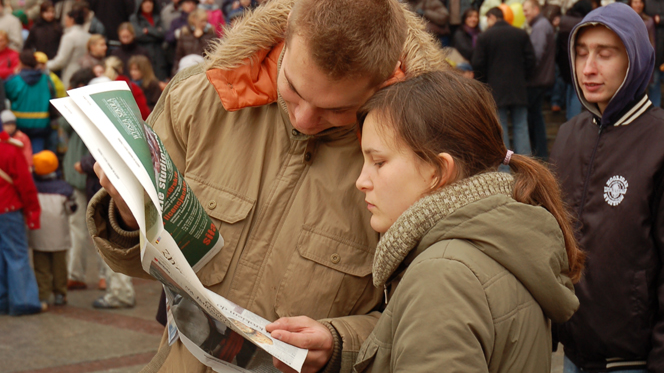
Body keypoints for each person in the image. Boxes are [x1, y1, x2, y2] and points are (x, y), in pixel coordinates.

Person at [87, 0, 448, 371]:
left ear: (387, 78)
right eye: (293, 87)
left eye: (337, 109)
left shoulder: (416, 162)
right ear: (287, 35)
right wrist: (131, 218)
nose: (306, 119)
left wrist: (342, 344)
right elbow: (138, 261)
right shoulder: (201, 98)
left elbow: (425, 320)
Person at [346, 70, 582, 373]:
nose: (361, 181)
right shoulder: (497, 242)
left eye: (378, 162)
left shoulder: (444, 276)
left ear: (438, 170)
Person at [550, 4, 664, 372]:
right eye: (581, 53)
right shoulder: (568, 136)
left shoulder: (658, 140)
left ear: (635, 57)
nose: (588, 68)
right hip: (571, 355)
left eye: (605, 53)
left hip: (633, 360)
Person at [61, 67, 107, 291]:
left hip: (81, 171)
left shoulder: (76, 107)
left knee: (78, 228)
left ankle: (75, 273)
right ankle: (104, 277)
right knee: (101, 229)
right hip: (96, 175)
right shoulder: (103, 108)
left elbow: (62, 126)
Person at [472, 7, 536, 156]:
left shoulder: (485, 37)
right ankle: (526, 167)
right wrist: (524, 77)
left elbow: (477, 64)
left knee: (501, 130)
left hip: (495, 90)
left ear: (492, 17)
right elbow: (531, 60)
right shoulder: (520, 34)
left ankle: (504, 168)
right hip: (518, 88)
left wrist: (484, 82)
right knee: (521, 127)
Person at [0, 129, 42, 316]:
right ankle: (23, 301)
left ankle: (3, 300)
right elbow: (25, 184)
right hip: (8, 208)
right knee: (16, 255)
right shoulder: (9, 149)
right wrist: (33, 211)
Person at [28, 150, 77, 311]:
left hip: (38, 235)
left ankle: (43, 295)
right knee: (59, 268)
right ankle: (60, 294)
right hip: (59, 237)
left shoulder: (32, 187)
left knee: (41, 268)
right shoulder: (64, 189)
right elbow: (71, 209)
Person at [523, 0, 555, 159]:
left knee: (533, 118)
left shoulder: (540, 26)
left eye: (527, 10)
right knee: (536, 116)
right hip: (542, 78)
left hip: (536, 80)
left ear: (536, 9)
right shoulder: (541, 25)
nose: (524, 13)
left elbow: (535, 55)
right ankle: (541, 154)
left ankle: (539, 154)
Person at [5, 50, 55, 154]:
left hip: (19, 123)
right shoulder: (46, 79)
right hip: (41, 123)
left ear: (21, 62)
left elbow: (6, 95)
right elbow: (53, 94)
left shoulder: (15, 80)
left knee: (20, 155)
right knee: (38, 155)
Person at [47, 8, 91, 89]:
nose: (65, 22)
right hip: (86, 74)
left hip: (71, 74)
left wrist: (45, 65)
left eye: (66, 20)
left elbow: (61, 61)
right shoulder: (88, 36)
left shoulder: (69, 37)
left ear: (71, 20)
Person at [103, 56, 151, 120]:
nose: (133, 72)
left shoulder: (100, 84)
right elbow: (144, 112)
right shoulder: (131, 86)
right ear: (121, 69)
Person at [130, 0, 169, 80]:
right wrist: (155, 32)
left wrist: (147, 30)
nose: (148, 5)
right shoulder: (135, 18)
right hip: (143, 55)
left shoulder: (157, 17)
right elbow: (138, 35)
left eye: (150, 2)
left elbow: (163, 34)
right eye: (145, 2)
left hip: (159, 56)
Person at [173, 8, 214, 74]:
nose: (204, 24)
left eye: (206, 21)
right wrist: (174, 74)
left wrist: (201, 38)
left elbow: (211, 54)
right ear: (194, 20)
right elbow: (178, 56)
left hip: (203, 69)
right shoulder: (185, 33)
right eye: (202, 21)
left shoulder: (211, 33)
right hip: (185, 68)